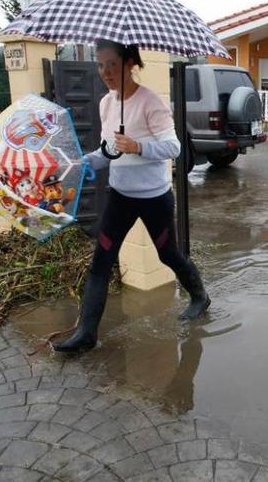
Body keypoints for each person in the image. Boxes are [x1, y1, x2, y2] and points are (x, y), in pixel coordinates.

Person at [54, 39, 210, 353]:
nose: (105, 71)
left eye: (111, 64)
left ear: (129, 63)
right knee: (101, 261)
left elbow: (173, 148)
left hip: (155, 198)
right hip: (120, 197)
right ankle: (86, 333)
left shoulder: (151, 102)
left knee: (168, 255)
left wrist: (138, 146)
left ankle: (200, 297)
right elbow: (108, 152)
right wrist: (82, 163)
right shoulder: (106, 104)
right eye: (100, 65)